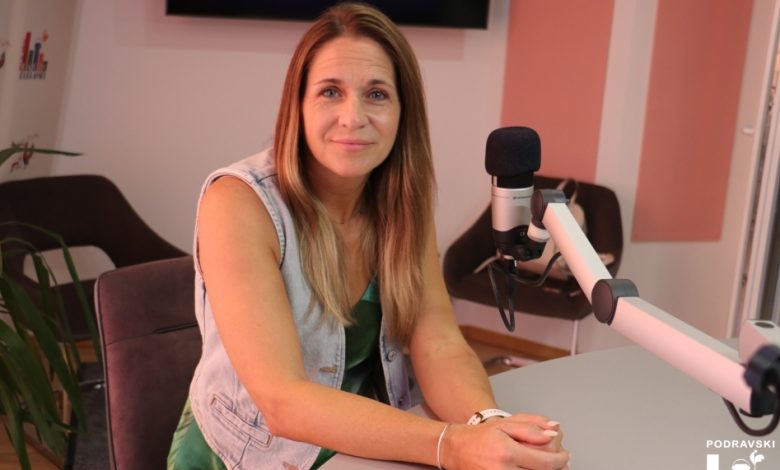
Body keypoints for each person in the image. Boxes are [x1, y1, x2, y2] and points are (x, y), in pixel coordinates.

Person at [167, 3, 570, 469]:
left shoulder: (401, 202)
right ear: (298, 106)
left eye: (377, 94)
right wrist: (454, 445)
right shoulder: (238, 202)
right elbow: (282, 400)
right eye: (330, 92)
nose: (352, 116)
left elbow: (437, 342)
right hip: (251, 455)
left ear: (402, 112)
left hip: (367, 441)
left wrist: (488, 424)